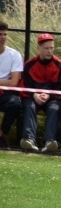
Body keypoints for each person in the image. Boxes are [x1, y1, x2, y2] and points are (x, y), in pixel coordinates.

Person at [20, 33, 61, 152]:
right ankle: (29, 139)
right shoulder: (29, 65)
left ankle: (50, 141)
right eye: (46, 48)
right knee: (29, 106)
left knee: (54, 109)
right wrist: (34, 95)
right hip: (33, 96)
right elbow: (25, 85)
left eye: (52, 48)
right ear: (39, 48)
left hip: (53, 98)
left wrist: (49, 95)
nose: (50, 51)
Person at [0, 20, 23, 148]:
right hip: (4, 86)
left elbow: (14, 82)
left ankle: (1, 133)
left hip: (6, 93)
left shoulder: (14, 55)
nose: (3, 37)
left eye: (5, 34)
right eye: (0, 34)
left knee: (15, 104)